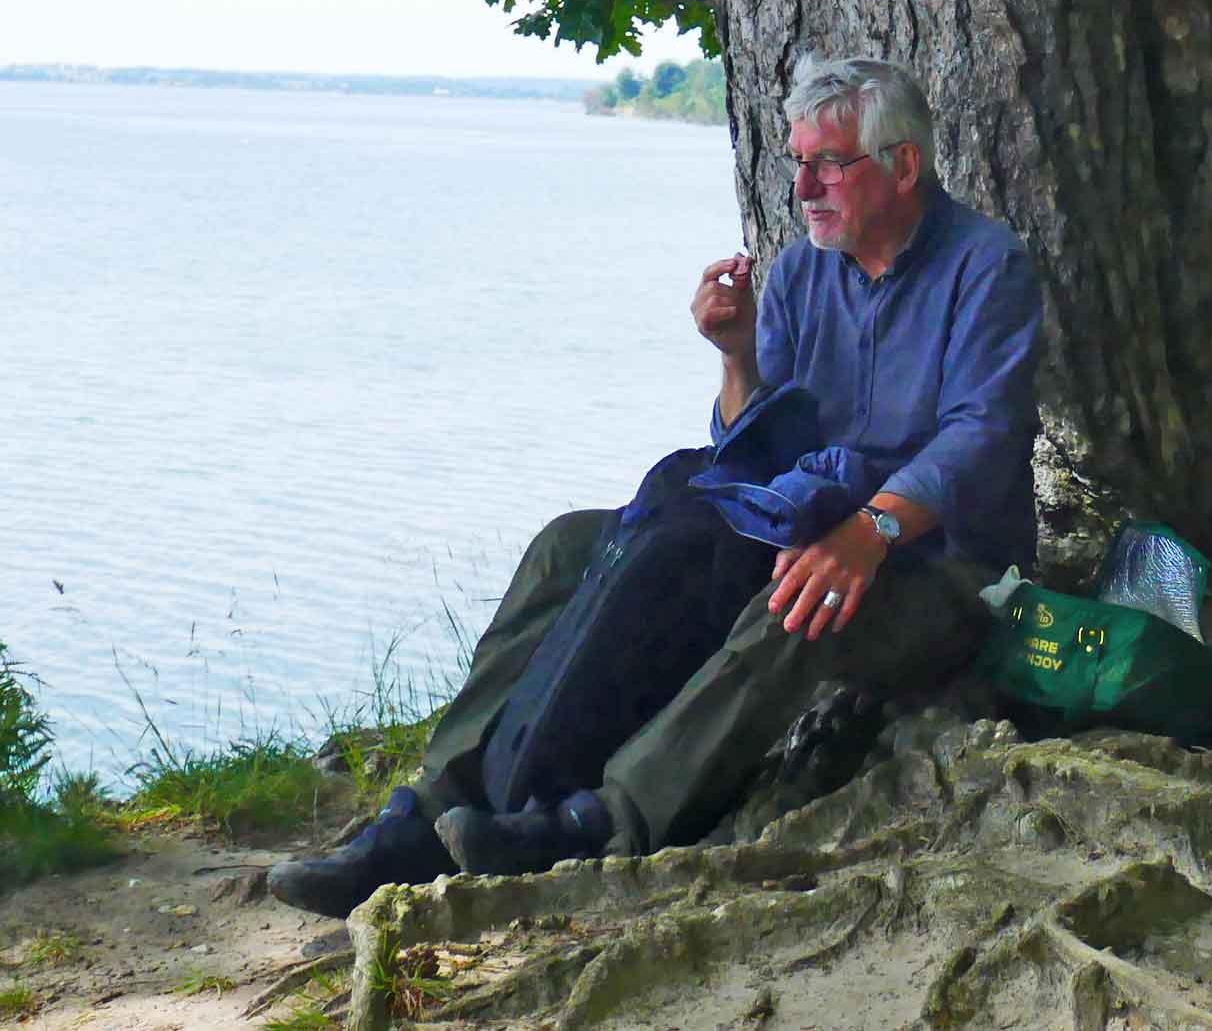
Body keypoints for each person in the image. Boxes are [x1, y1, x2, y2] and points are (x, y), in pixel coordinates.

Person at [267, 56, 1042, 916]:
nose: (803, 185)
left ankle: (603, 825)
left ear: (903, 165)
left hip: (948, 563)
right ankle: (436, 806)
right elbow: (754, 445)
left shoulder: (987, 266)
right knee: (571, 542)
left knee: (799, 601)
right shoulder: (797, 274)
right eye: (796, 162)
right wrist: (737, 355)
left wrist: (873, 531)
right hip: (810, 520)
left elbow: (984, 439)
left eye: (828, 163)